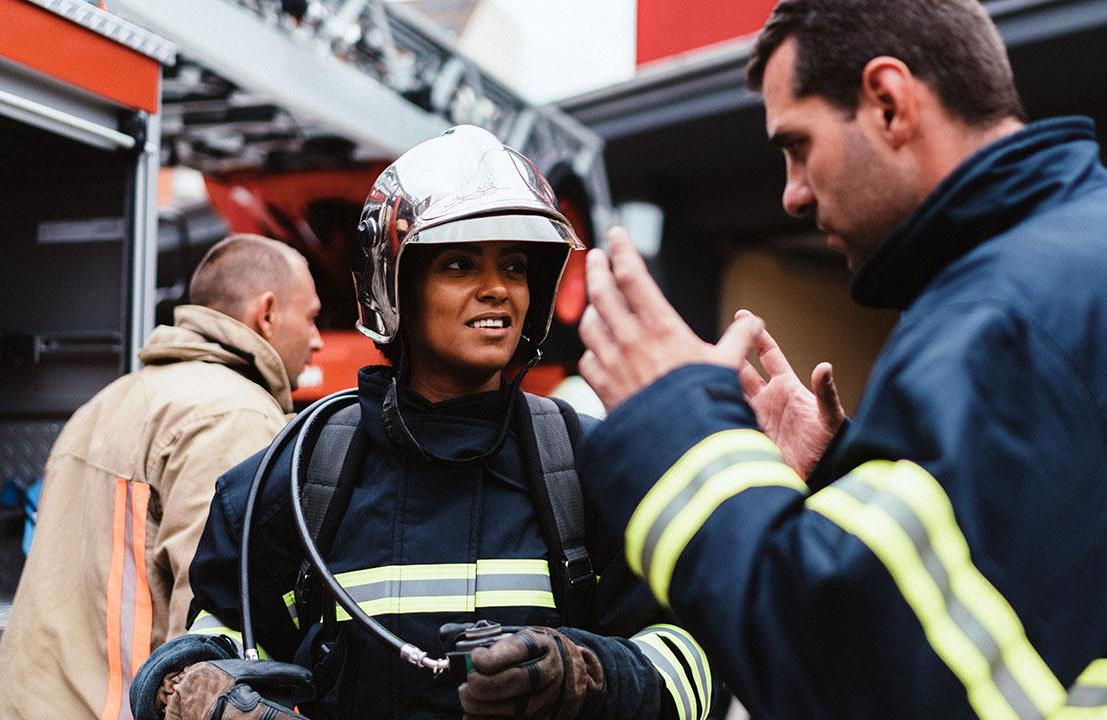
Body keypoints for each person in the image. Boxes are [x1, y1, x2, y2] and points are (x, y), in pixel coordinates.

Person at [573, 0, 1107, 718]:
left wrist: (676, 429)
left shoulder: (1013, 320)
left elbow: (848, 677)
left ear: (888, 101)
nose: (792, 194)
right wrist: (831, 486)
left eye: (798, 145)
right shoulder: (1094, 261)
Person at [130, 126, 714, 720]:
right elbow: (220, 635)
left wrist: (586, 673)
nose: (497, 290)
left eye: (514, 266)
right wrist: (194, 685)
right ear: (394, 286)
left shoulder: (594, 469)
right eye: (461, 264)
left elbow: (688, 662)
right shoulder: (294, 482)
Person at [0, 234, 325, 720]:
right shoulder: (233, 415)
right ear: (267, 314)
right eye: (311, 317)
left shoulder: (111, 400)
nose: (318, 340)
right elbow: (212, 644)